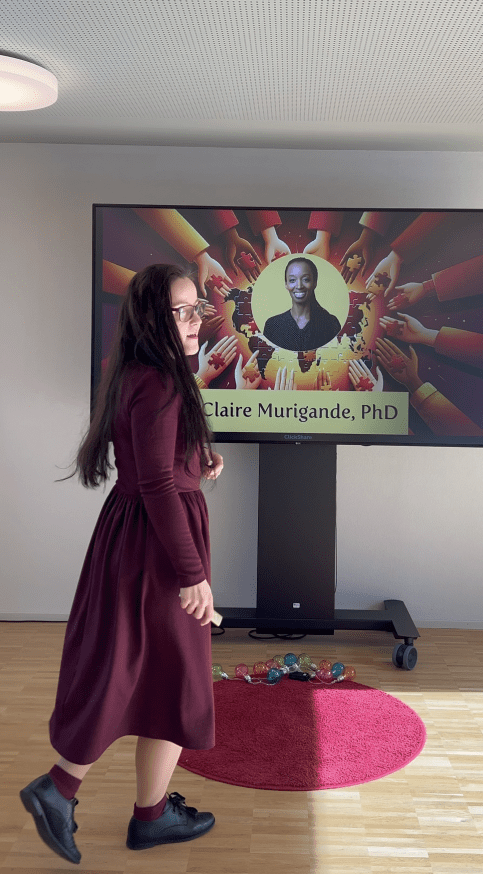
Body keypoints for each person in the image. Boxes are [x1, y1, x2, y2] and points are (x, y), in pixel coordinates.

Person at [19, 263, 223, 865]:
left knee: (150, 675)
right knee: (161, 679)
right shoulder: (161, 384)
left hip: (135, 537)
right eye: (182, 311)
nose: (195, 320)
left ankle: (148, 816)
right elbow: (157, 483)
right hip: (158, 549)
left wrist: (197, 462)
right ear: (154, 320)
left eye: (197, 308)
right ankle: (60, 789)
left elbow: (154, 462)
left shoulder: (141, 374)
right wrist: (192, 574)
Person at [263, 257, 341, 352]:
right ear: (286, 284)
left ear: (314, 283)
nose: (299, 286)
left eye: (306, 279)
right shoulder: (272, 325)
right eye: (292, 280)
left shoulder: (331, 323)